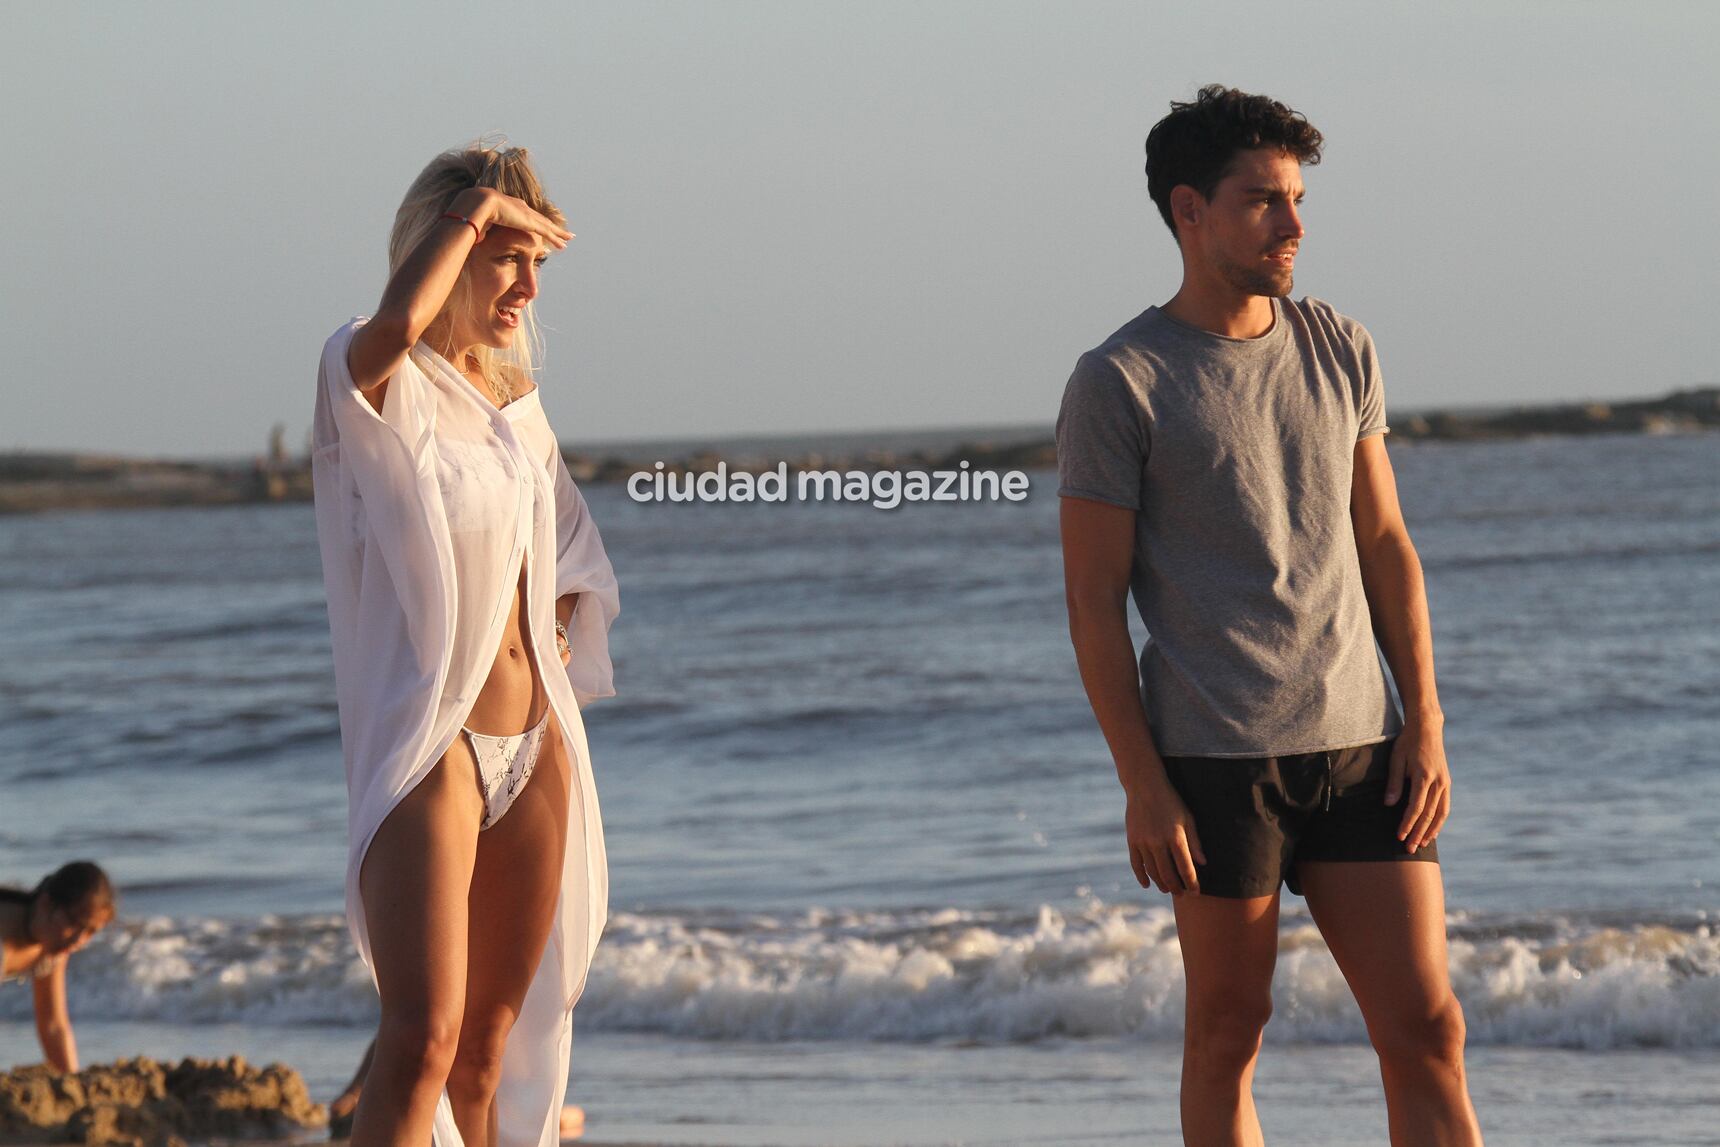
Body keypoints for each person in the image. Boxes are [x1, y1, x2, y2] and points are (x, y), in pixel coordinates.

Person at [1056, 86, 1484, 1145]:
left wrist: (1423, 718)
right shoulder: (1120, 380)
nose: (1293, 225)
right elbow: (1093, 605)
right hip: (1213, 762)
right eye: (1263, 201)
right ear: (1189, 209)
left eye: (1297, 199)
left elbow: (1385, 546)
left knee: (1427, 1026)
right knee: (1227, 1030)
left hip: (1362, 752)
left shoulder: (1338, 343)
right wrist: (1140, 783)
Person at [312, 142, 620, 1147]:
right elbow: (402, 322)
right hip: (433, 750)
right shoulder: (371, 380)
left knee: (495, 1047)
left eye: (539, 264)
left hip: (537, 749)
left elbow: (575, 557)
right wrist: (477, 208)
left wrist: (563, 631)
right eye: (507, 256)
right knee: (422, 1039)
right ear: (449, 242)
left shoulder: (517, 414)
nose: (528, 286)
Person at [0, 862, 117, 1074]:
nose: (79, 940)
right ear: (46, 904)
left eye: (91, 932)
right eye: (75, 923)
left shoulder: (53, 944)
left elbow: (53, 1024)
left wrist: (72, 1084)